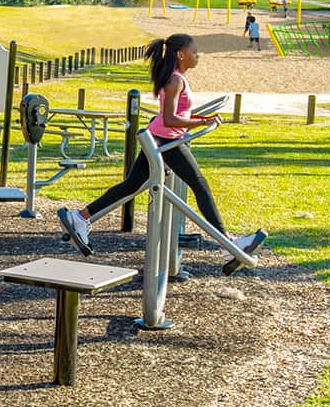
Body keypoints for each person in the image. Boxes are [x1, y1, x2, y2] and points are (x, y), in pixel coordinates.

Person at [58, 34, 266, 269]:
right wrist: (200, 123)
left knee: (131, 185)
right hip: (165, 141)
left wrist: (201, 118)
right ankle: (228, 244)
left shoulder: (177, 79)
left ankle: (81, 217)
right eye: (194, 52)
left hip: (160, 138)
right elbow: (169, 119)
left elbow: (179, 114)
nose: (197, 56)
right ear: (181, 55)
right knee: (199, 185)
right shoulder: (175, 80)